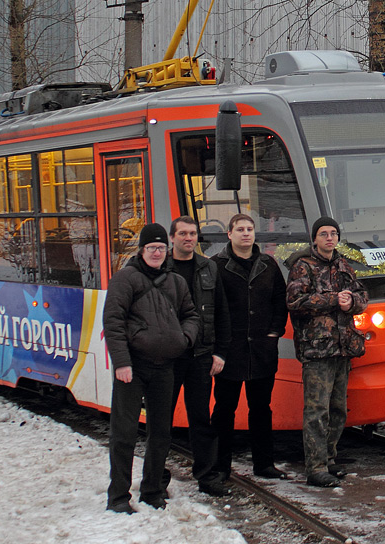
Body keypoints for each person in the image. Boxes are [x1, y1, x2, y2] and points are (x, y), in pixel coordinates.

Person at [103, 223, 200, 514]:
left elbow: (192, 315)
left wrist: (184, 339)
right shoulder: (125, 279)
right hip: (132, 367)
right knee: (124, 433)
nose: (157, 252)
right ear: (142, 250)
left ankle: (152, 490)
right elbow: (114, 323)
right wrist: (122, 362)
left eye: (160, 248)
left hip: (165, 366)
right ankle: (118, 496)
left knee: (161, 432)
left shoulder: (176, 282)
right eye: (151, 248)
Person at [285, 216, 368, 487]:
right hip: (317, 349)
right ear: (315, 239)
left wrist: (351, 303)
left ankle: (329, 459)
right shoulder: (302, 265)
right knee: (316, 410)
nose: (329, 238)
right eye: (324, 234)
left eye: (333, 233)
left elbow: (362, 296)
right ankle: (315, 467)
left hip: (343, 347)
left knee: (338, 409)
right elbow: (295, 301)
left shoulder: (343, 264)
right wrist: (334, 299)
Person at [211, 213, 289, 480]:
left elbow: (281, 300)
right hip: (228, 352)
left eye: (250, 229)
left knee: (261, 409)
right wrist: (217, 346)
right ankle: (220, 467)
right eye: (240, 229)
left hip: (261, 351)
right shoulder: (216, 266)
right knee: (223, 411)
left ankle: (264, 464)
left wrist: (274, 332)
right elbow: (210, 308)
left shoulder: (268, 264)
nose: (246, 233)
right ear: (229, 234)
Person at [166, 216, 231, 497]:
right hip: (167, 357)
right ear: (172, 238)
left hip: (202, 355)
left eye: (192, 234)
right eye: (182, 233)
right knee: (161, 419)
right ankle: (156, 479)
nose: (188, 238)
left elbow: (221, 312)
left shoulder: (208, 267)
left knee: (200, 419)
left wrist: (220, 352)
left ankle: (207, 476)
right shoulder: (159, 267)